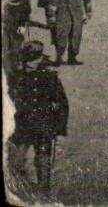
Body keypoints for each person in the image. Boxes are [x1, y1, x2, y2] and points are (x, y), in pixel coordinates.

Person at [5, 40, 70, 194]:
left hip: (43, 126)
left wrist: (59, 128)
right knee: (16, 158)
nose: (29, 65)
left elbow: (62, 104)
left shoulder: (49, 78)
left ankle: (43, 190)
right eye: (27, 61)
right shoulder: (17, 78)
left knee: (43, 160)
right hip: (22, 126)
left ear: (40, 59)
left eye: (32, 60)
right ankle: (17, 188)